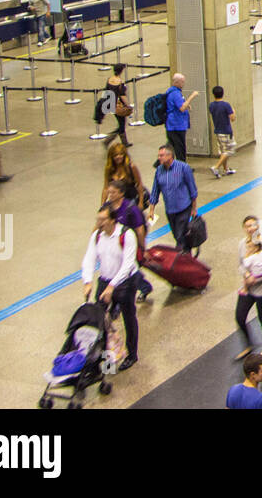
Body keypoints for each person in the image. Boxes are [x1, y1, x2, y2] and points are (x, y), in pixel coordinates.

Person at [81, 204, 139, 371]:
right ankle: (107, 360)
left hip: (125, 281)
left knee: (129, 316)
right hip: (105, 280)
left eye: (103, 219)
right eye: (98, 219)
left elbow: (128, 264)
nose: (99, 223)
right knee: (101, 319)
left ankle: (132, 354)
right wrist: (88, 281)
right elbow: (89, 258)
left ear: (113, 220)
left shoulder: (126, 235)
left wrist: (113, 286)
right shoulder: (97, 236)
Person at [104, 176, 152, 302]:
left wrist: (143, 248)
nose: (110, 195)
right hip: (114, 244)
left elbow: (140, 229)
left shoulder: (131, 208)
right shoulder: (107, 207)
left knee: (128, 267)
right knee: (123, 267)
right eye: (109, 192)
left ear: (121, 193)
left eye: (113, 192)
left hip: (129, 244)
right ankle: (143, 286)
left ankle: (143, 287)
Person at [235, 216, 262, 359]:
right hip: (248, 287)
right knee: (240, 316)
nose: (250, 228)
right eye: (247, 226)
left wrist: (257, 279)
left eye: (253, 225)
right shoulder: (242, 244)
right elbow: (241, 264)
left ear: (258, 227)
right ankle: (249, 344)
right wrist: (247, 275)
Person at [148, 143, 198, 255]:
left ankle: (180, 257)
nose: (159, 158)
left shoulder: (183, 168)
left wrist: (194, 208)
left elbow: (192, 188)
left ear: (170, 156)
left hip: (184, 207)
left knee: (180, 235)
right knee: (177, 235)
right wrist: (151, 210)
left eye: (162, 155)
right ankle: (186, 252)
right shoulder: (159, 171)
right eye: (159, 155)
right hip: (170, 210)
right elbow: (155, 190)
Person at [164, 73, 201, 162]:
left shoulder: (172, 92)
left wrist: (187, 105)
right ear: (177, 82)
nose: (183, 84)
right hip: (176, 125)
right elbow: (182, 108)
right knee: (180, 148)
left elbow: (180, 104)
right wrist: (192, 96)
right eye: (182, 82)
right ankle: (182, 168)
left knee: (172, 146)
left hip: (174, 124)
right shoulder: (175, 93)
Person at [102, 140, 145, 208]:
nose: (119, 157)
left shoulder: (131, 167)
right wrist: (102, 205)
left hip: (131, 201)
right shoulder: (109, 169)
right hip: (115, 202)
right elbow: (105, 188)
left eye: (121, 154)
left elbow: (139, 184)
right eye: (115, 155)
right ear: (111, 157)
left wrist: (141, 202)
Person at [208, 85, 236, 177]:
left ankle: (226, 169)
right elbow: (232, 118)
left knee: (223, 150)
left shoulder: (211, 105)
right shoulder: (226, 105)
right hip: (226, 131)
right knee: (229, 150)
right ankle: (216, 167)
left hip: (218, 130)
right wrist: (233, 111)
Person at [104, 62, 130, 147]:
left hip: (110, 103)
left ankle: (124, 142)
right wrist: (128, 105)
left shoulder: (109, 80)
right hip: (119, 105)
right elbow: (122, 95)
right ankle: (109, 139)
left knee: (121, 123)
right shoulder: (119, 82)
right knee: (122, 123)